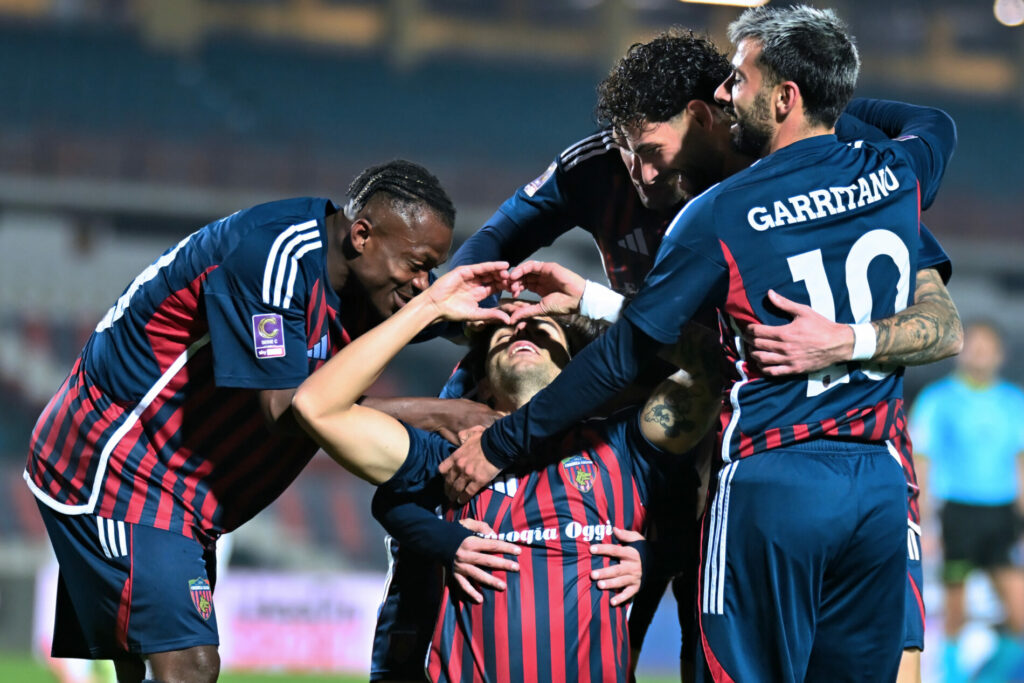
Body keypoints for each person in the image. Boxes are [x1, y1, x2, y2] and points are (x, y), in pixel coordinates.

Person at [386, 30, 961, 683]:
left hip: (760, 452)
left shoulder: (749, 197)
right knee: (624, 641)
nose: (643, 174)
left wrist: (844, 339)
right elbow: (478, 267)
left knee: (849, 661)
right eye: (629, 155)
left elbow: (942, 323)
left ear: (710, 116)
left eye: (652, 152)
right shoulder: (875, 170)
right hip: (677, 445)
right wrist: (478, 317)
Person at [24, 160, 495, 682]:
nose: (423, 283)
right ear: (362, 235)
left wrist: (508, 312)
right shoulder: (271, 259)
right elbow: (291, 410)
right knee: (189, 667)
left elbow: (449, 315)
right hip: (119, 467)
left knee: (142, 668)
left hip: (181, 492)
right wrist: (442, 412)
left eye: (433, 269)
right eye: (417, 265)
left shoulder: (366, 281)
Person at [290, 261, 718, 683]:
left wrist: (592, 300)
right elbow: (316, 407)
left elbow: (715, 363)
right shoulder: (448, 457)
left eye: (541, 327)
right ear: (484, 382)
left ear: (576, 371)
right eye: (504, 330)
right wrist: (429, 305)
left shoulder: (622, 446)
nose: (522, 330)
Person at [911, 320, 1024, 683]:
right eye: (974, 346)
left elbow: (1020, 463)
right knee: (955, 610)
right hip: (957, 513)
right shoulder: (938, 399)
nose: (980, 354)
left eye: (987, 347)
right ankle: (954, 676)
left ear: (1000, 354)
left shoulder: (1014, 401)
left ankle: (992, 676)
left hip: (1001, 515)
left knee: (1018, 612)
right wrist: (924, 522)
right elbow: (921, 463)